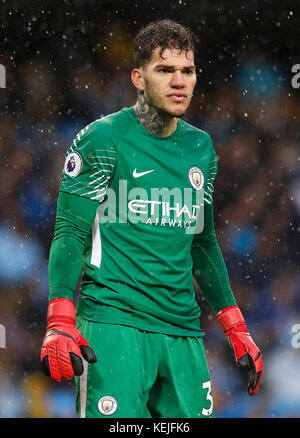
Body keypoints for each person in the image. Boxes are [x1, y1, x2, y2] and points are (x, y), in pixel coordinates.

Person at [40, 19, 263, 418]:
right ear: (138, 78)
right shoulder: (102, 139)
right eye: (165, 70)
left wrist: (235, 326)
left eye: (187, 71)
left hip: (183, 334)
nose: (179, 81)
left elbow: (203, 242)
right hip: (113, 326)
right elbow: (70, 232)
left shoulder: (201, 147)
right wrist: (59, 318)